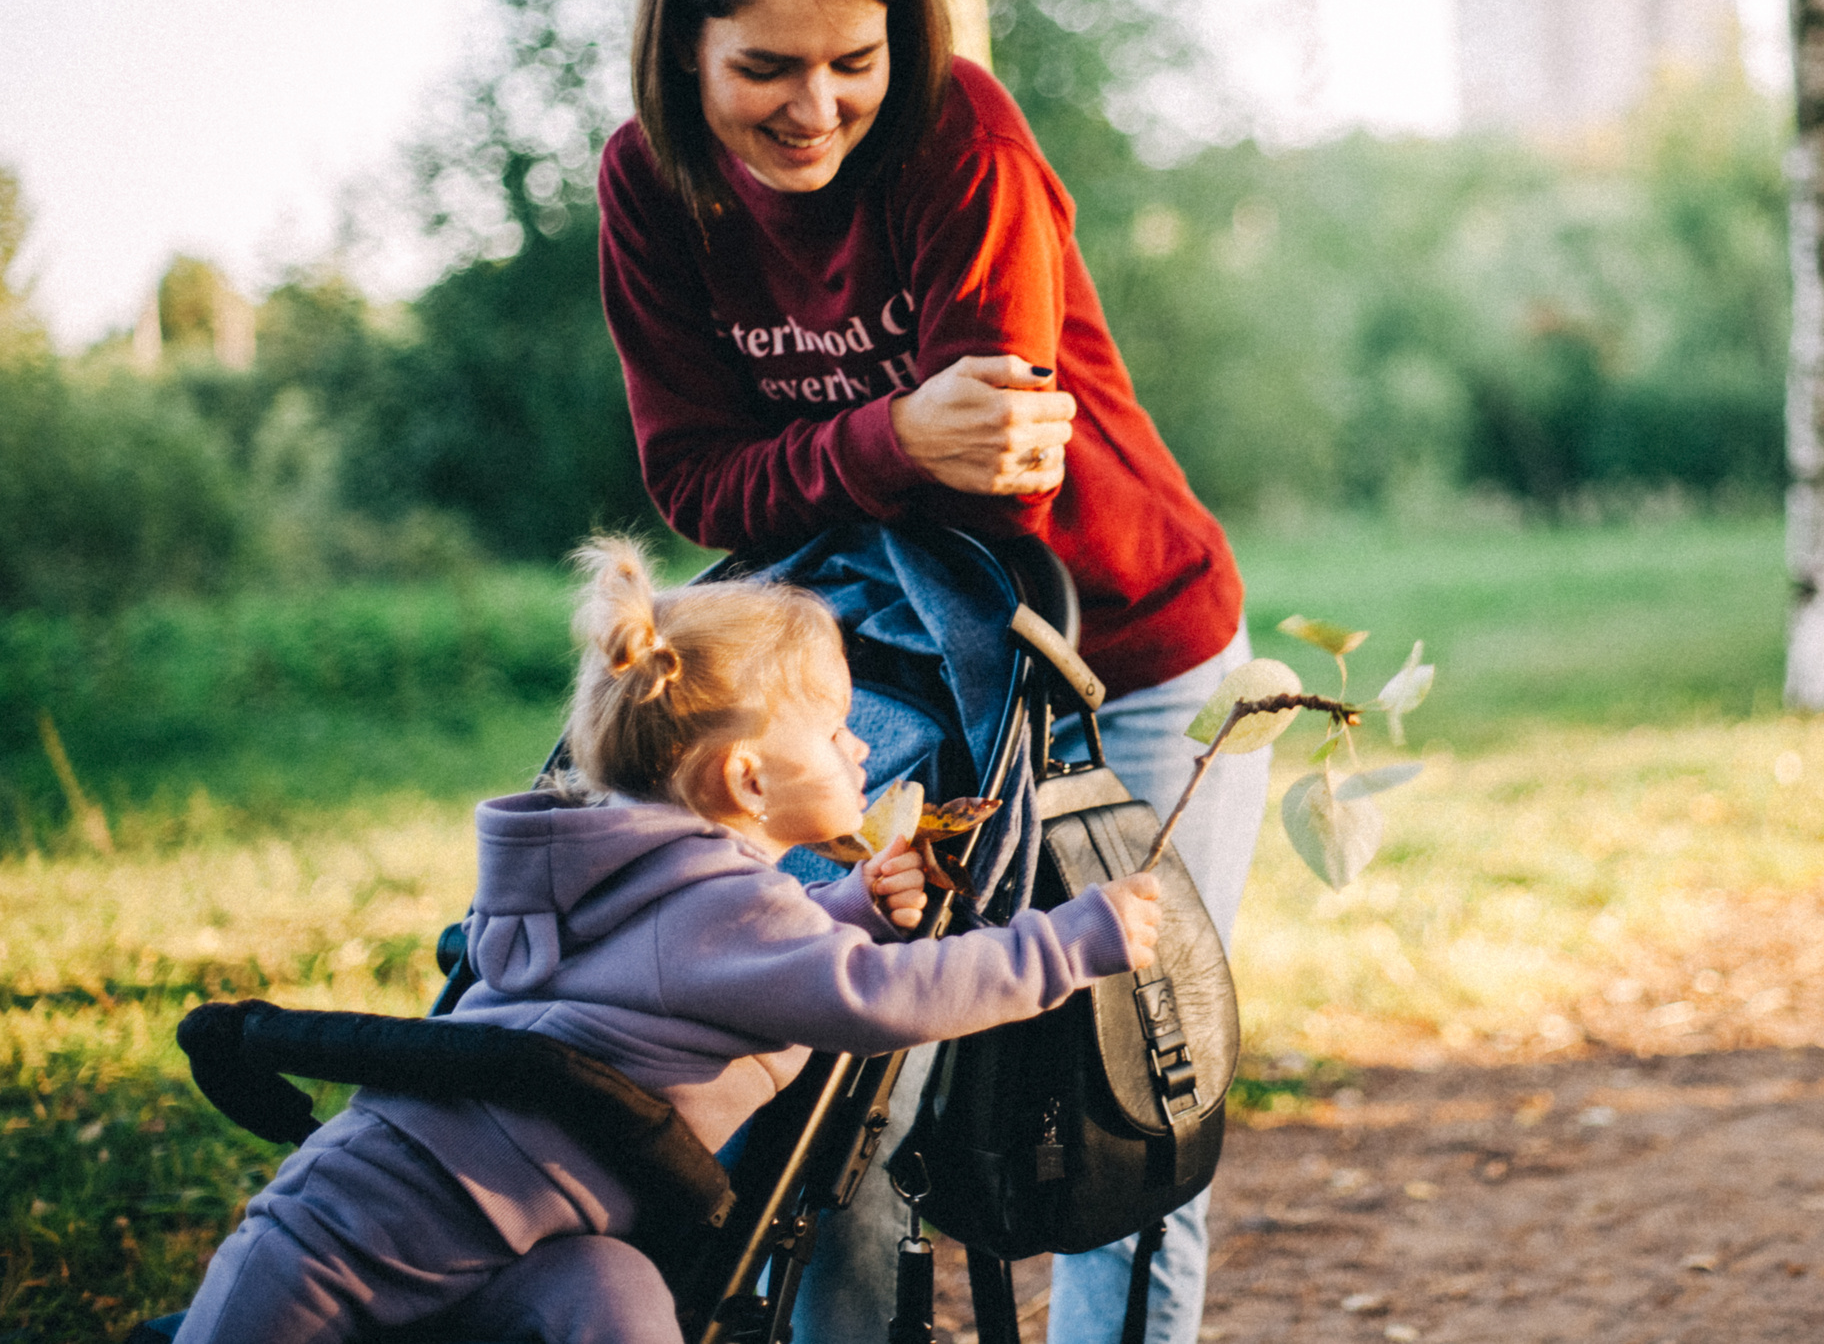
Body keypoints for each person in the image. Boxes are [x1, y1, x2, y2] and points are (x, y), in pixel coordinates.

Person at [596, 0, 1269, 1344]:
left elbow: (1012, 481)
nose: (815, 105)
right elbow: (696, 481)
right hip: (868, 693)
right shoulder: (651, 189)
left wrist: (835, 453)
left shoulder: (957, 134)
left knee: (1127, 1095)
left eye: (852, 58)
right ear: (684, 49)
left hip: (1131, 649)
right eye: (765, 66)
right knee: (846, 1092)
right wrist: (895, 429)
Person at [173, 538, 1161, 1344]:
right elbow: (878, 1000)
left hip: (489, 1229)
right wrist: (1071, 940)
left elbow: (674, 975)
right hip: (359, 1233)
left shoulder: (617, 872)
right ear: (745, 782)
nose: (861, 748)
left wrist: (850, 907)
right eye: (833, 730)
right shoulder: (719, 909)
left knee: (612, 1291)